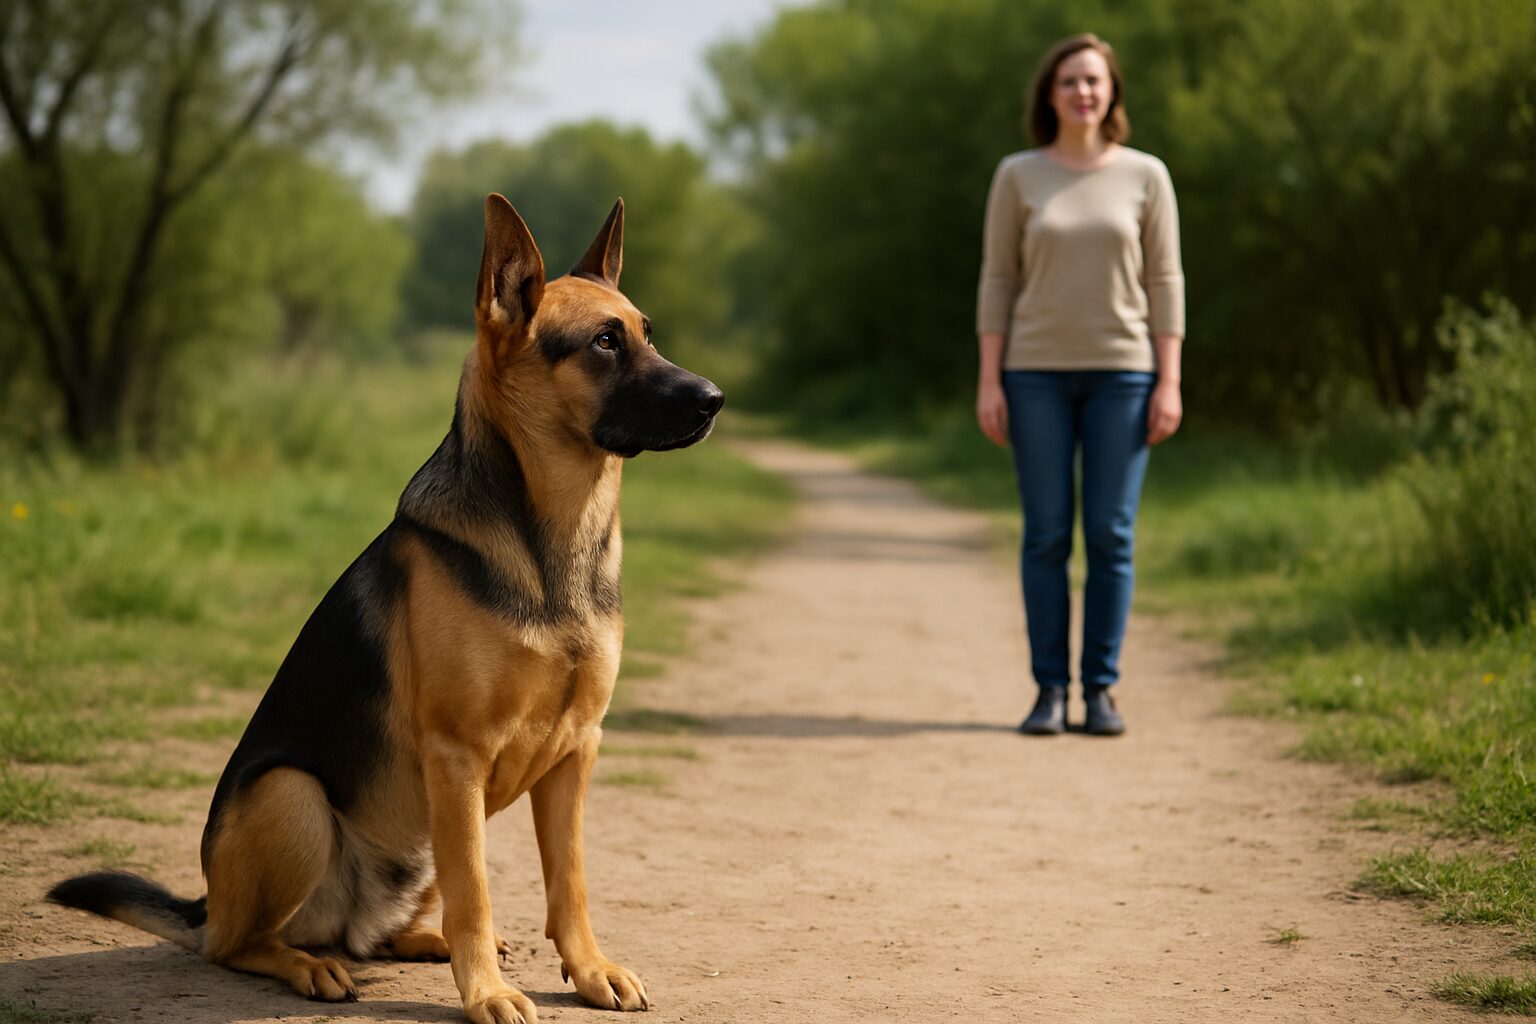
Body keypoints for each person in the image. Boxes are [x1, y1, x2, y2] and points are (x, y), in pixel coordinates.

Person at [974, 33, 1184, 737]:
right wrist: (990, 380)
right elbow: (999, 279)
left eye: (1094, 80)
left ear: (1112, 92)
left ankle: (1100, 691)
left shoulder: (1148, 176)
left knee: (1112, 533)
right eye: (1070, 81)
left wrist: (1169, 379)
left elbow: (1166, 280)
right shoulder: (1019, 174)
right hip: (1032, 374)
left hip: (1126, 374)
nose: (1083, 92)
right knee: (1046, 535)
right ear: (1051, 94)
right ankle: (1046, 692)